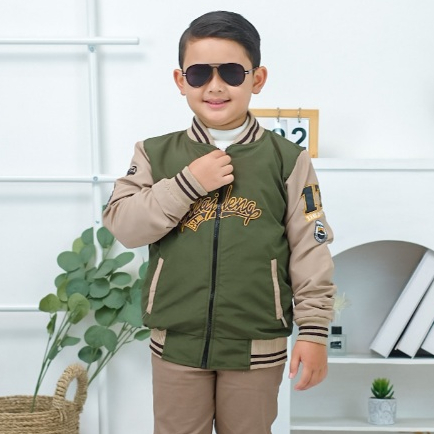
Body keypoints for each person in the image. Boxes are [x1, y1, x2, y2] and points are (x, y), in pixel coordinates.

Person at [103, 10, 336, 434]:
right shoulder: (154, 153)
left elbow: (310, 248)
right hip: (176, 342)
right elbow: (124, 226)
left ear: (257, 78)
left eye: (230, 72)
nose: (214, 86)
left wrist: (314, 332)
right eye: (199, 74)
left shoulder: (288, 159)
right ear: (180, 81)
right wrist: (188, 183)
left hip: (256, 345)